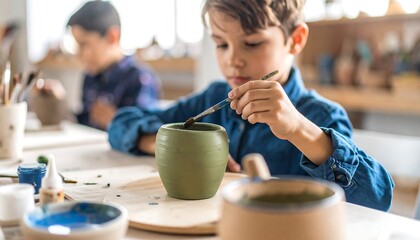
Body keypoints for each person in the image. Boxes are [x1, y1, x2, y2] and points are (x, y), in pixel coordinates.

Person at [108, 0, 394, 211]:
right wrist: (168, 146)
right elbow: (120, 125)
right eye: (221, 45)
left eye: (253, 43)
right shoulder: (214, 98)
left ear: (295, 40)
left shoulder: (320, 115)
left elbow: (377, 199)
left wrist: (297, 129)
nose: (234, 60)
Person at [66, 0, 161, 130]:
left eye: (84, 44)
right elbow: (84, 122)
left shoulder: (140, 79)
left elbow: (147, 132)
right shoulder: (90, 77)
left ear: (112, 37)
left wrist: (115, 121)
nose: (78, 55)